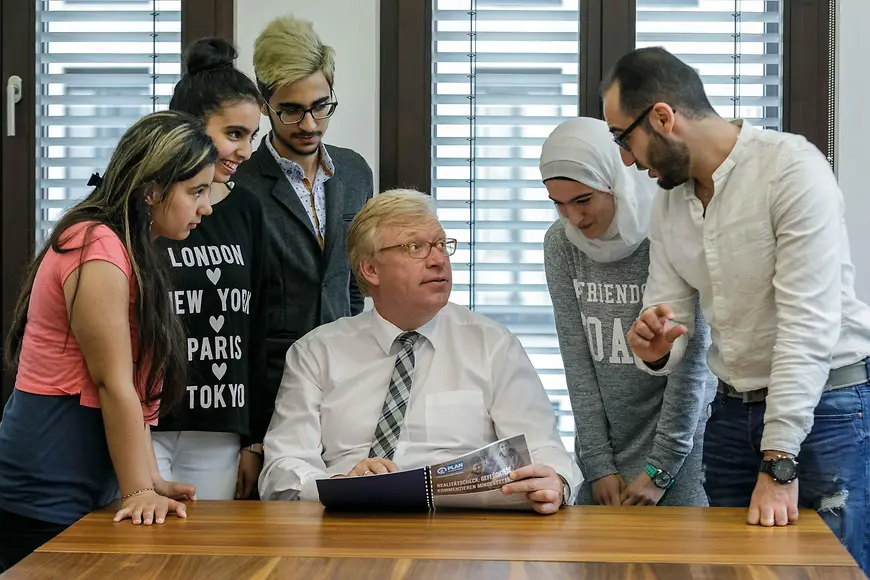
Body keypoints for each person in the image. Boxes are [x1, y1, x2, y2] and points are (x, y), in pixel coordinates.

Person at [602, 46, 870, 573]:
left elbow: (805, 328)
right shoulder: (669, 203)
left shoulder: (791, 168)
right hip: (731, 415)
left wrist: (779, 462)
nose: (627, 161)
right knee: (734, 571)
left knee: (828, 572)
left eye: (623, 139)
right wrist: (654, 348)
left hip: (826, 412)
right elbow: (668, 317)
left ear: (662, 117)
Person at [258, 190, 581, 514]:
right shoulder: (316, 353)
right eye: (415, 247)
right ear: (370, 268)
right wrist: (342, 485)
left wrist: (558, 483)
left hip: (464, 537)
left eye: (441, 244)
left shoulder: (492, 344)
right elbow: (282, 471)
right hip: (348, 528)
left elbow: (543, 449)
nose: (438, 259)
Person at [0, 111, 217, 571]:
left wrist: (149, 480)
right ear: (153, 190)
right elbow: (112, 382)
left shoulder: (132, 248)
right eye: (196, 191)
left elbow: (134, 388)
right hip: (47, 477)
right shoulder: (95, 244)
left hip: (86, 478)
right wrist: (136, 489)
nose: (207, 207)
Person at [540, 117, 715, 507]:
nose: (574, 218)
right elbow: (577, 361)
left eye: (583, 200)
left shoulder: (670, 230)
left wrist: (660, 468)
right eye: (559, 205)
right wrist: (599, 465)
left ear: (616, 184)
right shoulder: (560, 245)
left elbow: (692, 366)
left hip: (682, 450)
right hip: (603, 456)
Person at [150, 38, 271, 500]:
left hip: (221, 428)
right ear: (190, 128)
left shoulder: (247, 210)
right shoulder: (145, 211)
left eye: (252, 136)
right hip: (149, 424)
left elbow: (255, 326)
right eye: (234, 134)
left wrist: (252, 438)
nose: (244, 150)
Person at [233, 15, 373, 405]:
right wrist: (251, 435)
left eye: (321, 106)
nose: (309, 124)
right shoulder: (238, 184)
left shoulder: (356, 172)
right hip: (271, 387)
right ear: (264, 105)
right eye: (291, 110)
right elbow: (236, 312)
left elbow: (352, 286)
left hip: (348, 381)